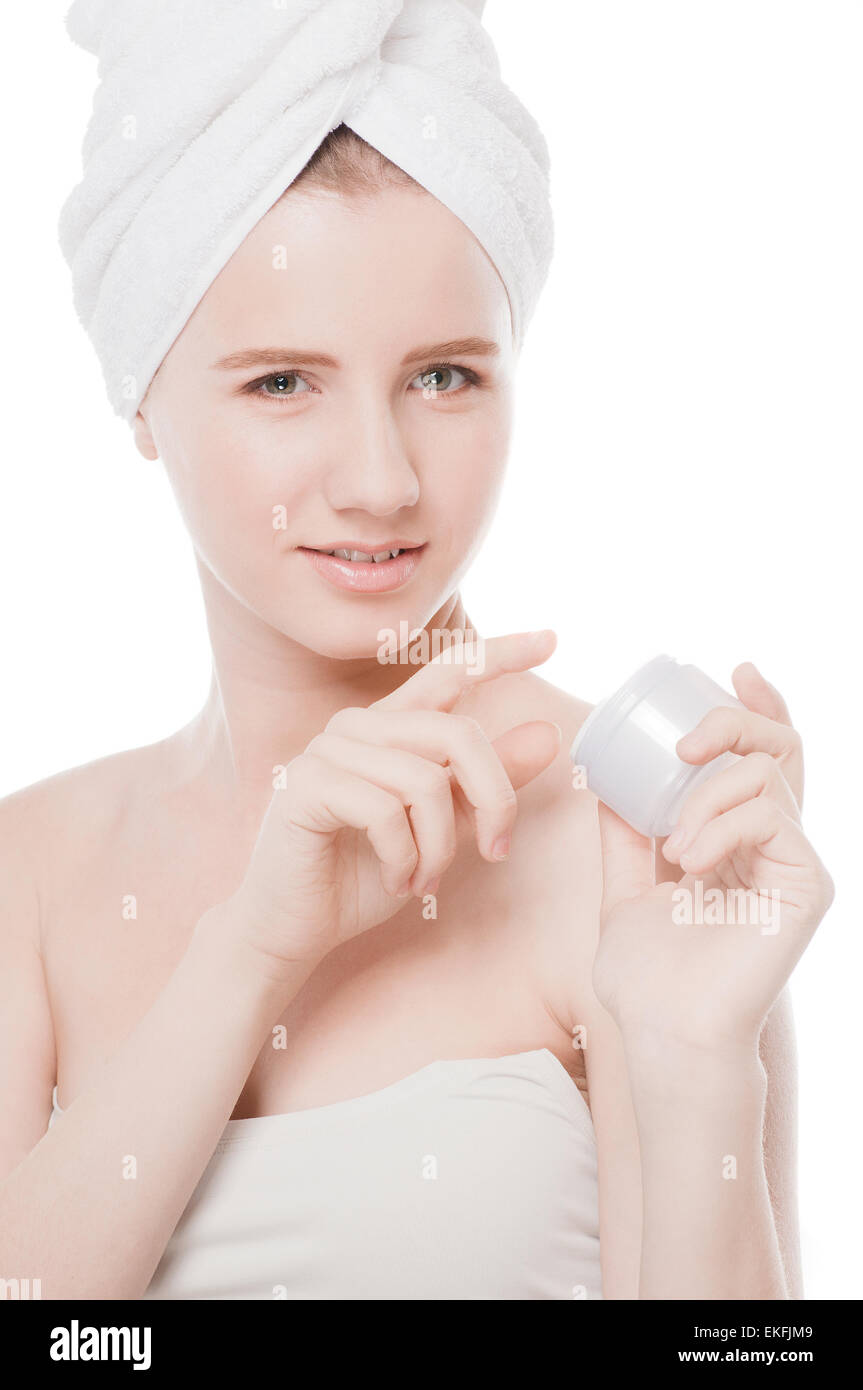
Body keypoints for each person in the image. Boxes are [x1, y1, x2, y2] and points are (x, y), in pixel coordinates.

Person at [0, 10, 833, 1302]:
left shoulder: (635, 852)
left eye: (444, 377)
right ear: (141, 397)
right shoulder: (32, 878)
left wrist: (693, 1059)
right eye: (283, 383)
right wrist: (253, 947)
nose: (382, 481)